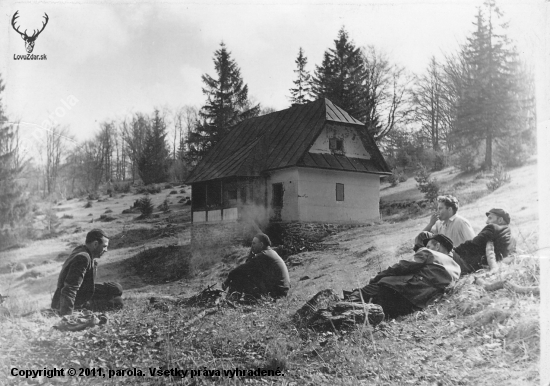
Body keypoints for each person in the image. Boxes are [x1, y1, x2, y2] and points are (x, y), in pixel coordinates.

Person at [345, 234, 460, 319]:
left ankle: (342, 308)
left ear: (437, 246)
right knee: (375, 306)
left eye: (429, 245)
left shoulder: (429, 253)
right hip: (414, 305)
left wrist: (378, 277)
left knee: (363, 292)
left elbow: (403, 266)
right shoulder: (457, 268)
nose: (427, 247)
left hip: (404, 292)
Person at [51, 229, 123, 316]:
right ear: (95, 244)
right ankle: (81, 308)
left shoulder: (82, 250)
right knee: (118, 302)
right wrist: (67, 317)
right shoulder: (83, 258)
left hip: (82, 292)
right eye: (104, 246)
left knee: (117, 288)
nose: (106, 250)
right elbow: (69, 289)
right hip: (70, 301)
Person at [222, 233, 290, 299]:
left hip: (277, 292)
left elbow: (242, 269)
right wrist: (251, 253)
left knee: (240, 276)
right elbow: (248, 266)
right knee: (249, 274)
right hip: (282, 290)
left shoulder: (264, 255)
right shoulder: (270, 252)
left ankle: (231, 300)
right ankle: (235, 299)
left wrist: (228, 279)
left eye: (254, 243)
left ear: (261, 244)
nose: (252, 246)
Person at [451, 208, 513, 274]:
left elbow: (474, 243)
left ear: (500, 220)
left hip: (474, 267)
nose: (487, 222)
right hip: (497, 266)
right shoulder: (511, 237)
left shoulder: (493, 227)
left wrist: (455, 250)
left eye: (490, 218)